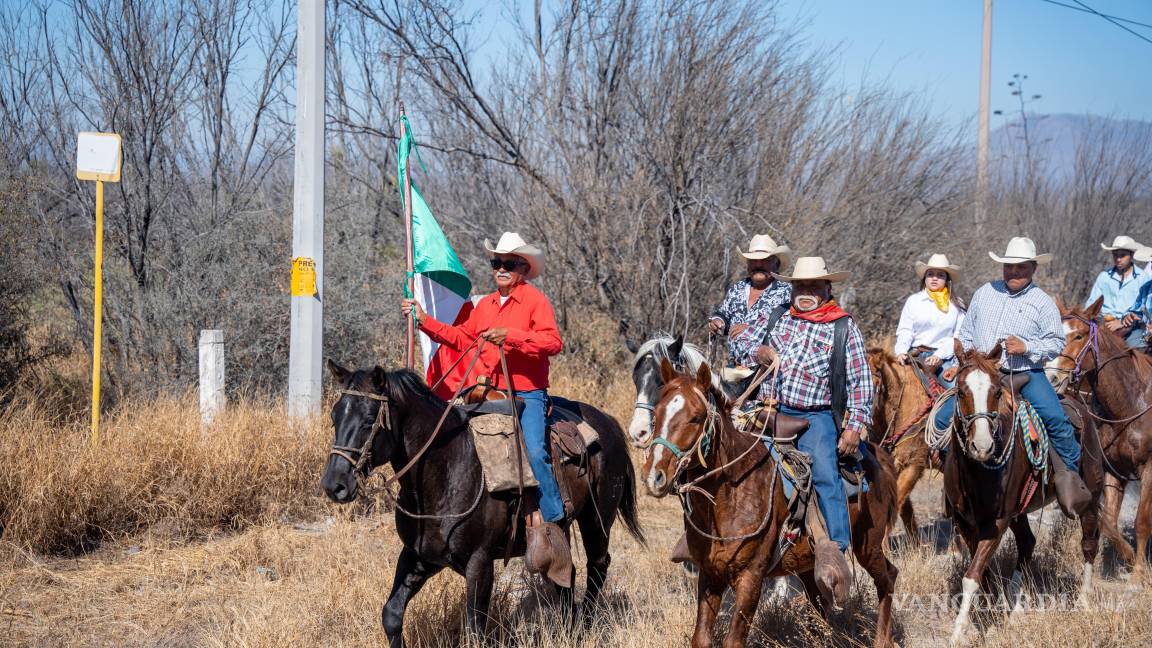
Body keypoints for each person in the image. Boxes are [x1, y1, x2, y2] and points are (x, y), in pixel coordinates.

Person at [400, 232, 570, 581]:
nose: (501, 269)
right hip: (487, 393)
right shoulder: (486, 306)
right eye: (497, 263)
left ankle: (554, 522)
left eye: (509, 264)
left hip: (527, 395)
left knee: (536, 452)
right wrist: (424, 321)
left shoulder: (535, 302)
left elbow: (554, 342)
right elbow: (463, 338)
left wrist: (513, 337)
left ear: (523, 268)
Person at [932, 237, 1090, 516]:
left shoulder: (1041, 302)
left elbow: (1055, 343)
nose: (1014, 273)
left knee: (1055, 418)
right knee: (943, 418)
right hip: (981, 372)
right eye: (1009, 267)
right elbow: (967, 333)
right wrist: (962, 364)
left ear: (1033, 268)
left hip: (1025, 372)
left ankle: (1070, 477)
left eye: (1020, 268)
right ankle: (955, 482)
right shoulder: (985, 293)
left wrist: (1027, 346)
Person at [753, 256, 873, 596]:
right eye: (799, 286)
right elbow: (757, 354)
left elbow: (861, 381)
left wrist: (854, 426)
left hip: (815, 416)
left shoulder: (841, 326)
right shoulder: (781, 318)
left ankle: (835, 547)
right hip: (772, 409)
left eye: (812, 286)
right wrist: (760, 353)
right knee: (733, 457)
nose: (805, 292)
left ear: (826, 289)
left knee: (823, 471)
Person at [708, 234, 792, 368]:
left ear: (776, 264)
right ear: (747, 264)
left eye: (765, 260)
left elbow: (790, 330)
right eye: (753, 260)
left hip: (767, 371)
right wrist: (718, 322)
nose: (758, 264)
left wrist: (752, 329)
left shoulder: (787, 293)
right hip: (734, 368)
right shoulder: (738, 288)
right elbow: (724, 314)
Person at [893, 253, 966, 383]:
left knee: (956, 388)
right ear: (925, 278)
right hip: (915, 355)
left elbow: (957, 336)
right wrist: (901, 351)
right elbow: (905, 330)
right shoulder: (914, 301)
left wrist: (939, 355)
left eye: (940, 275)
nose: (934, 278)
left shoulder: (957, 304)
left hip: (943, 358)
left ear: (947, 279)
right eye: (930, 274)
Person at [1087, 235, 1148, 348]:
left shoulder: (1143, 278)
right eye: (1115, 255)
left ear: (1131, 255)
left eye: (1122, 255)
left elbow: (1145, 308)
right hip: (1103, 324)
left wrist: (1121, 322)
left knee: (1139, 348)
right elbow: (1091, 304)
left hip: (1132, 327)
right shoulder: (1104, 277)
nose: (1118, 259)